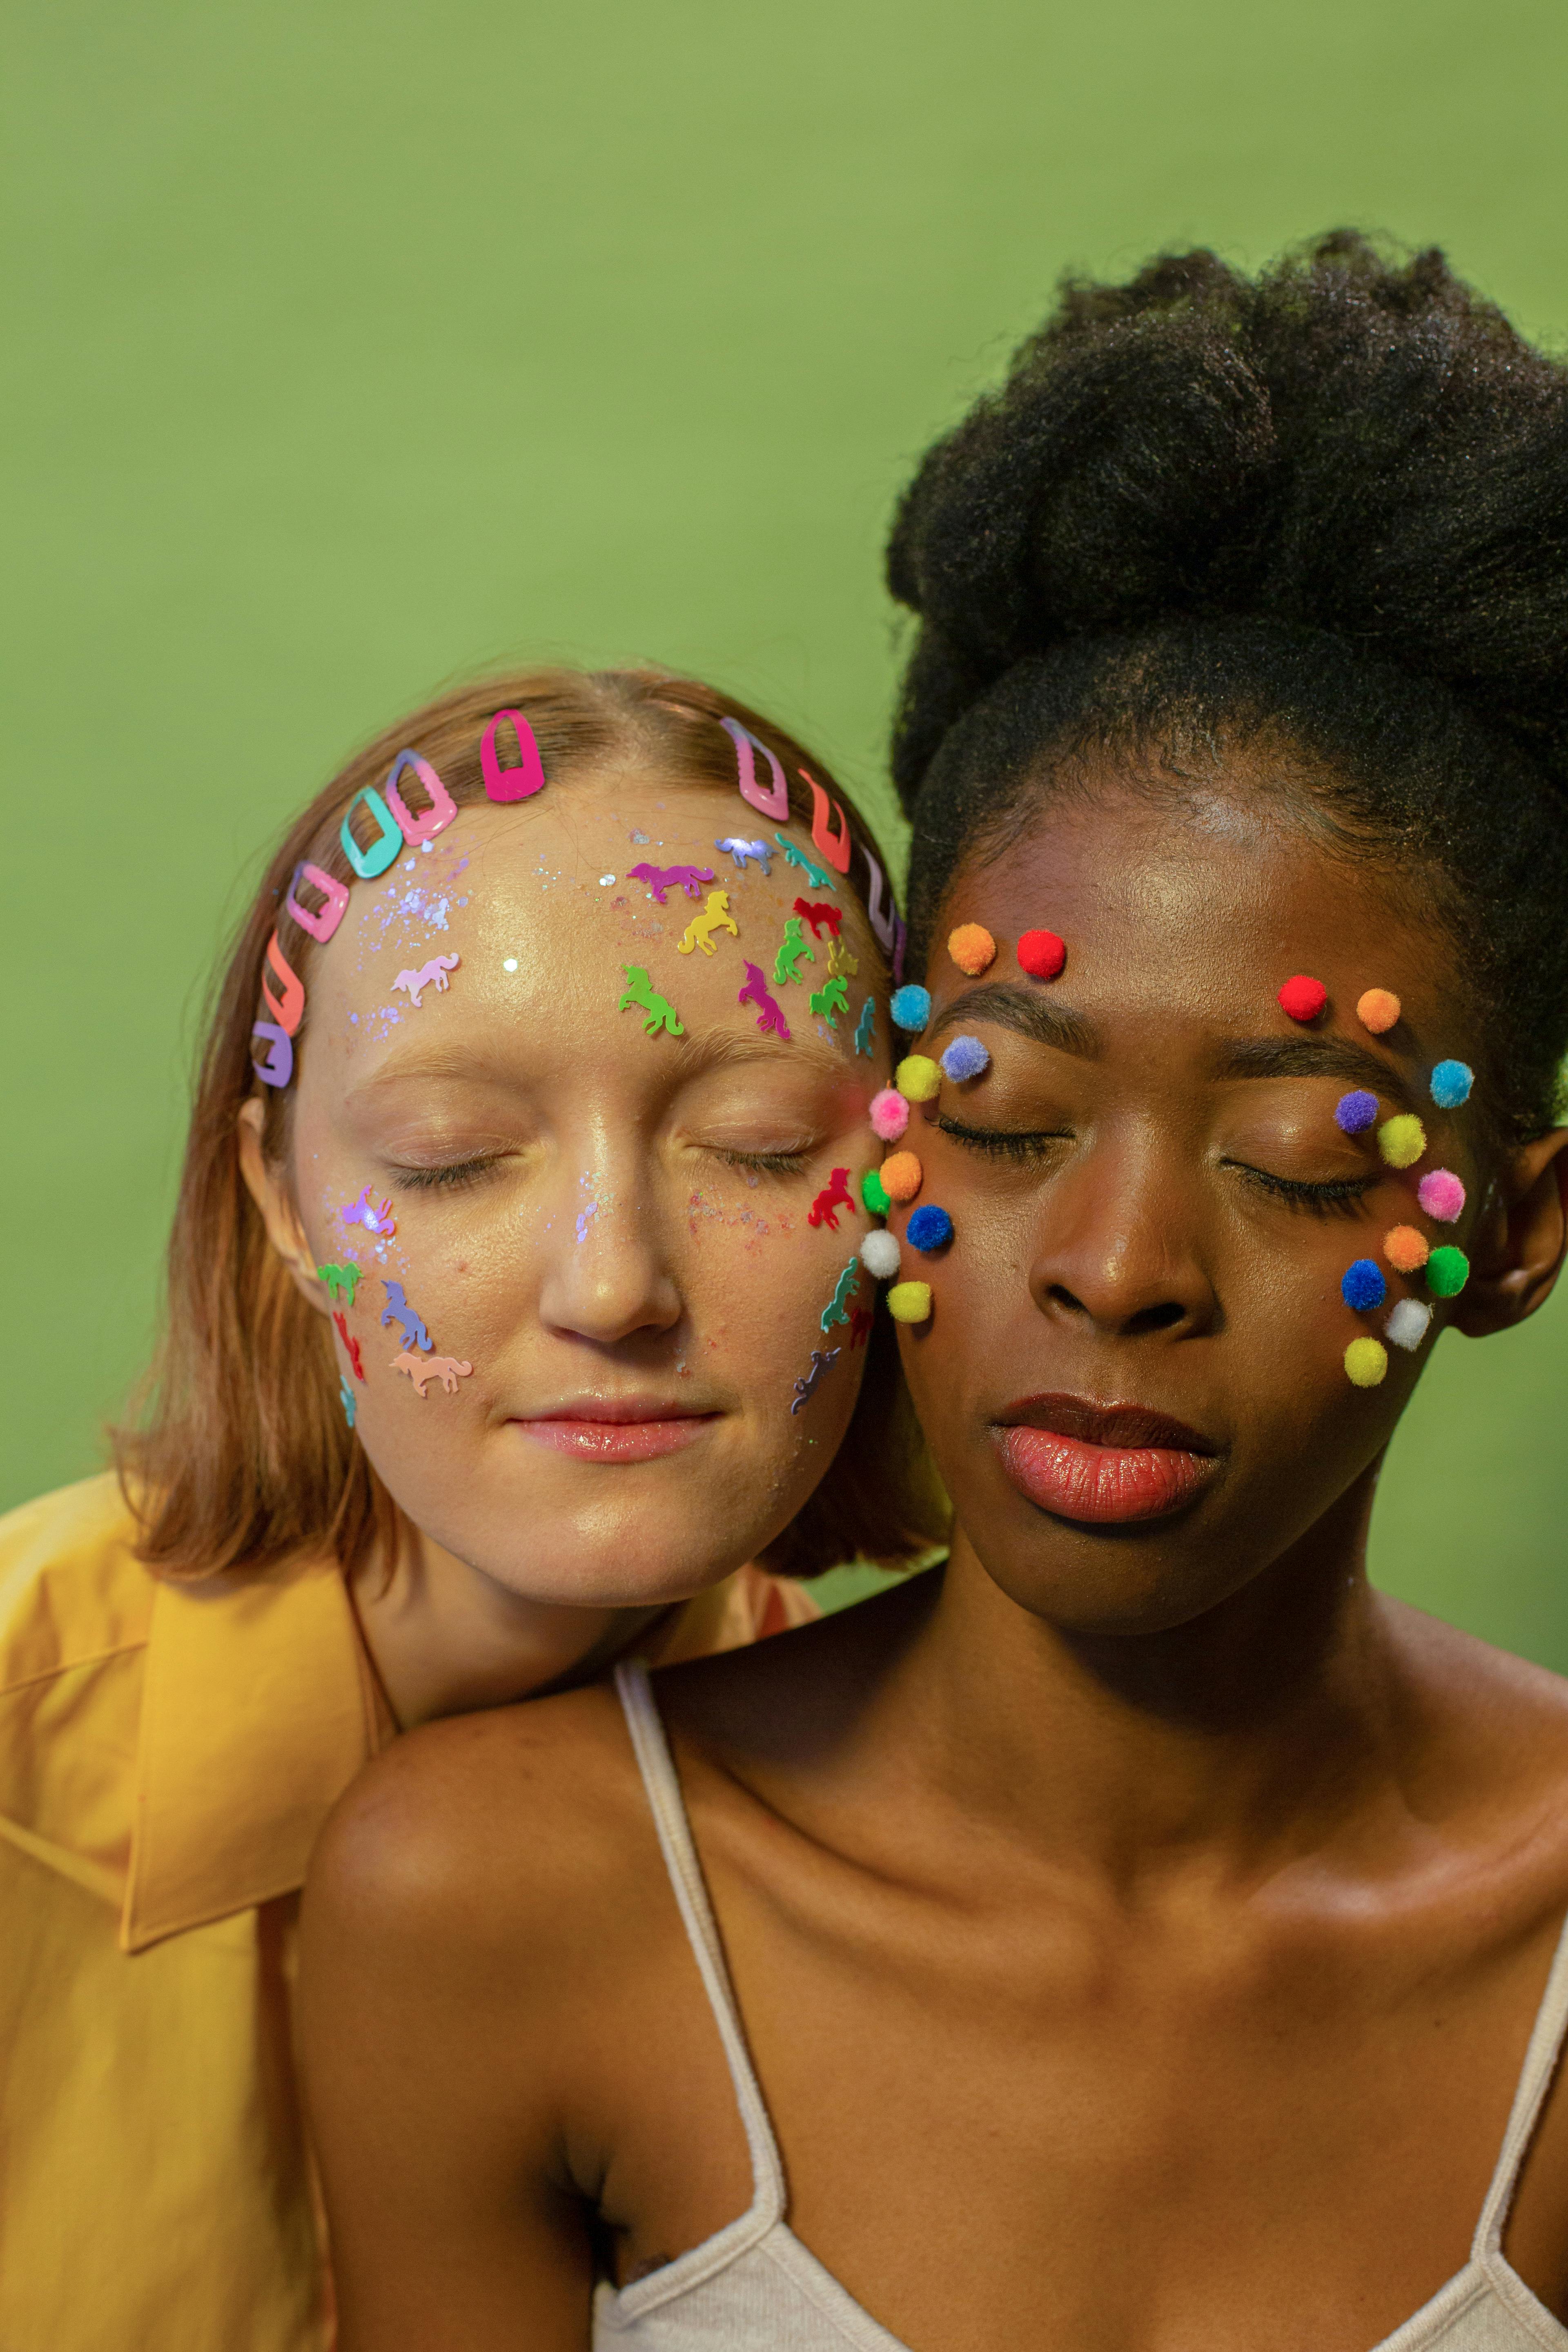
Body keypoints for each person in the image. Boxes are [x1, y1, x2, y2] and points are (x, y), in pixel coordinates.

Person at [301, 234, 1568, 2351]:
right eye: (1002, 1114)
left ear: (1518, 1228)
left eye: (1299, 1154)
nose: (1120, 1269)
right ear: (881, 1125)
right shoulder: (506, 1900)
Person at [0, 663, 942, 2352]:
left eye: (752, 1140)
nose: (614, 1284)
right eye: (449, 1156)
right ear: (280, 1201)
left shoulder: (906, 1845)